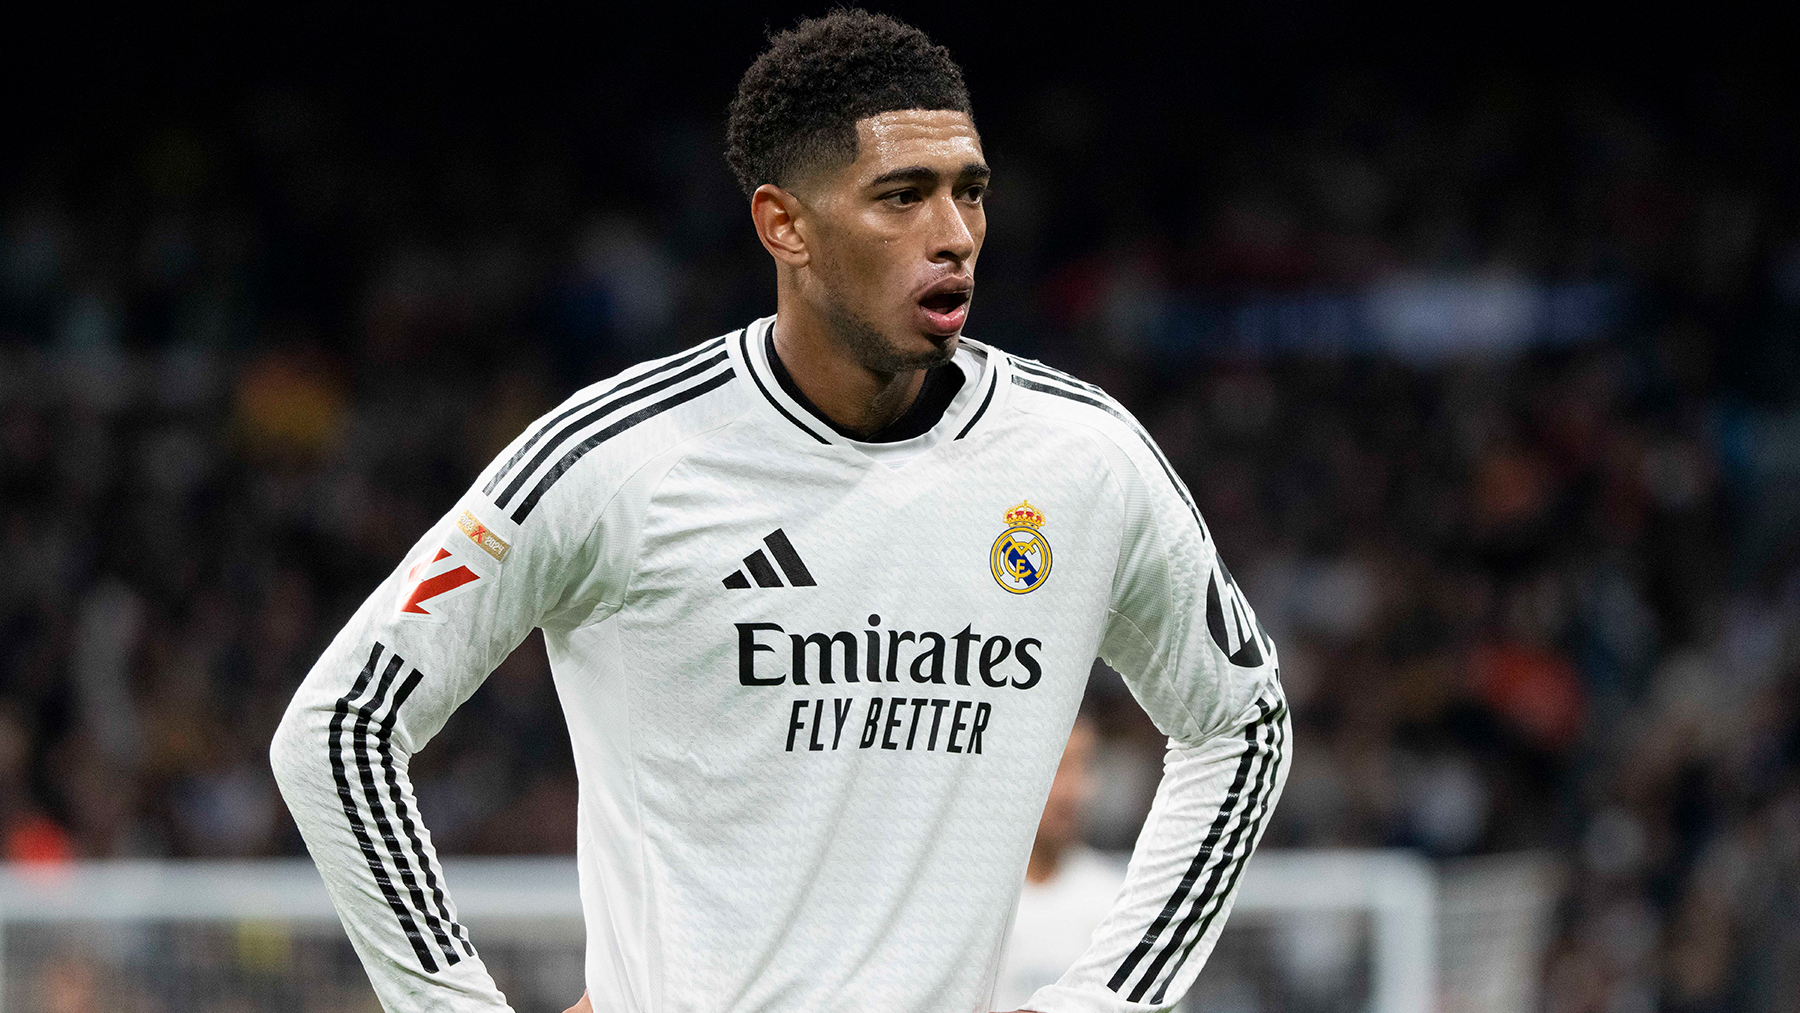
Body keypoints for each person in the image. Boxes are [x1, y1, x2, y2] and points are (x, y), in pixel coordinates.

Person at [269, 11, 1290, 1013]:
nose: (954, 236)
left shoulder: (1085, 459)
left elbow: (1242, 721)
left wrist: (1109, 998)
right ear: (783, 224)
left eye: (970, 193)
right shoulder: (617, 459)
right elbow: (340, 726)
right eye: (902, 196)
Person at [991, 715, 1131, 1009]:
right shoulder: (976, 902)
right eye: (1058, 767)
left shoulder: (1118, 902)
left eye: (1085, 766)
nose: (1074, 791)